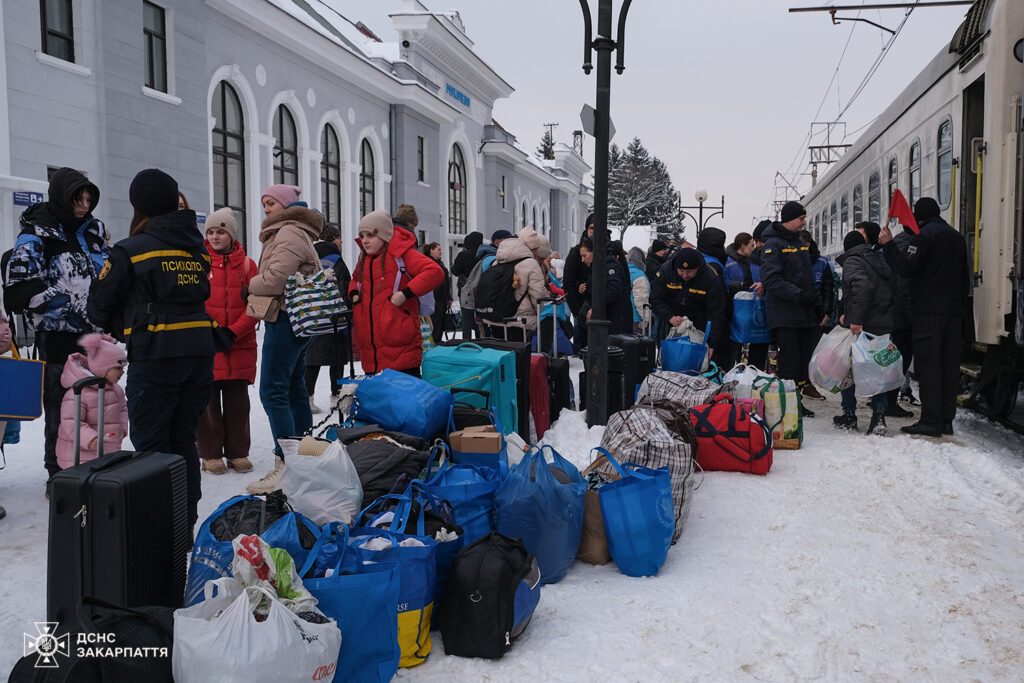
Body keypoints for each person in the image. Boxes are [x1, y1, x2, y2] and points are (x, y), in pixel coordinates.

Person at [88, 168, 219, 529]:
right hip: (198, 354)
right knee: (183, 440)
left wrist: (129, 325)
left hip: (156, 356)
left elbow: (98, 305)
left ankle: (159, 531)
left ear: (138, 204)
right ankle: (184, 526)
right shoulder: (197, 249)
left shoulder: (130, 250)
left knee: (152, 443)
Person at [4, 167, 109, 486]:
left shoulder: (94, 231)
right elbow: (20, 289)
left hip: (96, 339)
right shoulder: (37, 234)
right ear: (62, 196)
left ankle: (93, 468)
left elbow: (108, 274)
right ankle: (59, 474)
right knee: (63, 410)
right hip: (58, 337)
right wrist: (69, 305)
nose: (85, 205)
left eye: (89, 199)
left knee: (97, 409)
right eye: (78, 198)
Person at [245, 184, 321, 471]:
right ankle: (303, 454)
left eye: (271, 203)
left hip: (285, 318)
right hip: (297, 320)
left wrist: (249, 286)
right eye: (264, 203)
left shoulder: (288, 231)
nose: (266, 209)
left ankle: (286, 460)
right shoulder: (294, 230)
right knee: (293, 389)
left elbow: (276, 279)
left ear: (287, 206)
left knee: (272, 391)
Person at [879, 196, 970, 437]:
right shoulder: (957, 237)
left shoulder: (924, 236)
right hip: (953, 313)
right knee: (948, 366)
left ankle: (930, 420)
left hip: (928, 312)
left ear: (918, 217)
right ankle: (946, 420)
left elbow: (906, 268)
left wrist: (888, 245)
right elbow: (965, 278)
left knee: (929, 365)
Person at [197, 207, 258, 475]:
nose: (214, 237)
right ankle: (210, 454)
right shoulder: (198, 263)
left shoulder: (248, 266)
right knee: (207, 403)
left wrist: (234, 331)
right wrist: (211, 332)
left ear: (231, 234)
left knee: (238, 404)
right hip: (208, 343)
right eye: (210, 232)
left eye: (220, 232)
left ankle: (237, 452)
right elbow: (193, 303)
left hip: (239, 343)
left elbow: (257, 305)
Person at [348, 210, 443, 376]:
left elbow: (435, 272)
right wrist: (354, 294)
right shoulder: (364, 258)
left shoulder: (402, 254)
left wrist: (406, 293)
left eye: (370, 235)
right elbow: (355, 279)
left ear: (384, 235)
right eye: (362, 236)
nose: (365, 240)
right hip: (370, 349)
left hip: (400, 348)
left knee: (403, 391)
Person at [760, 201, 821, 417]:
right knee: (789, 361)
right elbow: (771, 279)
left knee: (803, 360)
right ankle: (787, 404)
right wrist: (798, 294)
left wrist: (815, 303)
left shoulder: (799, 243)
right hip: (785, 314)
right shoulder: (773, 244)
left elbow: (806, 277)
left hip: (803, 313)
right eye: (801, 219)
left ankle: (796, 400)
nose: (804, 222)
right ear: (789, 219)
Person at [833, 231, 896, 435]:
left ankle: (849, 414)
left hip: (862, 325)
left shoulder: (853, 261)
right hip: (882, 323)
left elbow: (863, 288)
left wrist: (856, 318)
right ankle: (879, 416)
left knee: (848, 369)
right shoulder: (881, 258)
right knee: (878, 370)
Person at [56, 333, 129, 467]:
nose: (122, 372)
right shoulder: (79, 392)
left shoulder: (116, 390)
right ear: (102, 367)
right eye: (118, 368)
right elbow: (70, 421)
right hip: (79, 455)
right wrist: (90, 438)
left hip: (108, 450)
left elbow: (123, 408)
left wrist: (122, 428)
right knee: (85, 478)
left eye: (123, 368)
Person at [304, 222, 351, 414]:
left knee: (311, 361)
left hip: (312, 317)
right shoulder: (336, 260)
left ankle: (308, 398)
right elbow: (344, 289)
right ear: (331, 239)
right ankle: (336, 398)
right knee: (337, 360)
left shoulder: (309, 257)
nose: (341, 241)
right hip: (334, 319)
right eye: (339, 237)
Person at [650, 247, 727, 359]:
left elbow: (716, 313)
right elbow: (656, 299)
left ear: (697, 268)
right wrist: (669, 317)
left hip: (700, 325)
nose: (685, 275)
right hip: (671, 323)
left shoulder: (710, 278)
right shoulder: (666, 271)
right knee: (671, 359)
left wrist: (711, 344)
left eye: (689, 272)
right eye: (681, 271)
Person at [884, 219, 918, 417]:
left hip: (896, 312)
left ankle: (887, 401)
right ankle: (889, 403)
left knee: (897, 359)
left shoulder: (898, 242)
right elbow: (904, 286)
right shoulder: (907, 245)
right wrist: (911, 317)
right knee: (900, 359)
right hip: (902, 315)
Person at [490, 230, 548, 339]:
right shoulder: (531, 264)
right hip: (520, 322)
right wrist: (536, 312)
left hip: (497, 319)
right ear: (533, 248)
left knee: (500, 349)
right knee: (520, 349)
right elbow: (538, 295)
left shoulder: (497, 261)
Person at [697, 227, 742, 368]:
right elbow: (721, 296)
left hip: (699, 319)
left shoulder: (699, 260)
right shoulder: (714, 265)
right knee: (720, 360)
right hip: (715, 320)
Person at [798, 229, 834, 401]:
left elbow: (828, 289)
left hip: (815, 314)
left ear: (808, 244)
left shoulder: (822, 262)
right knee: (796, 353)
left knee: (812, 353)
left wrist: (826, 312)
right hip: (795, 314)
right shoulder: (791, 260)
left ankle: (808, 384)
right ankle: (797, 386)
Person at [725, 231, 769, 370]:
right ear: (743, 246)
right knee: (735, 343)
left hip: (748, 304)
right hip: (737, 306)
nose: (754, 248)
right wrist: (740, 286)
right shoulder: (729, 261)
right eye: (752, 245)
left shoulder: (750, 261)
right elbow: (725, 282)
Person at [562, 214, 595, 351]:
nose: (594, 231)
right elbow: (568, 282)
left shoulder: (607, 251)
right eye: (592, 228)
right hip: (581, 307)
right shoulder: (576, 252)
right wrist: (576, 310)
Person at [451, 231, 484, 340]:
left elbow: (455, 271)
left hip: (466, 290)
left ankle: (467, 342)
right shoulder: (484, 255)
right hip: (481, 291)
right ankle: (481, 341)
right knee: (480, 320)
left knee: (466, 321)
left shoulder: (463, 255)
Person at [422, 242, 451, 343]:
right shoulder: (428, 263)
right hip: (434, 299)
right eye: (438, 249)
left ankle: (438, 341)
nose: (441, 252)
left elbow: (446, 281)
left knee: (441, 323)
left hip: (442, 299)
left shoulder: (440, 263)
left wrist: (449, 297)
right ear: (431, 250)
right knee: (435, 323)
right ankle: (434, 342)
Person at [626, 247, 651, 334]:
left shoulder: (623, 272)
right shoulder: (640, 276)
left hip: (623, 316)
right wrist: (646, 319)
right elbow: (641, 300)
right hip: (635, 319)